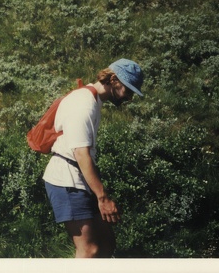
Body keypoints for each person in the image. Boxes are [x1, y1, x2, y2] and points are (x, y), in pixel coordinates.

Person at [43, 58, 144, 258]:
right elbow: (81, 154)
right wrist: (103, 197)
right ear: (114, 80)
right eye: (129, 90)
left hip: (80, 178)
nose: (129, 98)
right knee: (89, 250)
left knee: (106, 243)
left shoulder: (92, 100)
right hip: (67, 180)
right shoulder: (84, 104)